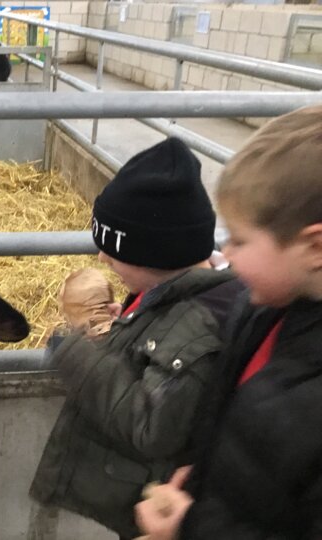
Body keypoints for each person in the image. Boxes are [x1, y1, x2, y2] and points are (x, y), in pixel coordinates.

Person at [28, 137, 243, 539]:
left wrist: (75, 353)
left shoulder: (201, 327)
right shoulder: (171, 291)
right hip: (148, 497)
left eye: (113, 251)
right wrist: (127, 325)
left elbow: (151, 424)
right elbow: (159, 343)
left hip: (157, 508)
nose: (102, 258)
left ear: (156, 255)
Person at [135, 105, 322, 539]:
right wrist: (203, 476)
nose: (227, 253)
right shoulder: (263, 307)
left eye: (239, 239)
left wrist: (193, 527)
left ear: (314, 247)